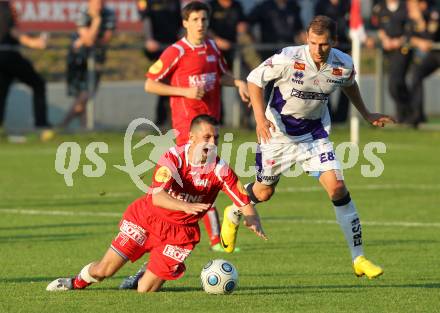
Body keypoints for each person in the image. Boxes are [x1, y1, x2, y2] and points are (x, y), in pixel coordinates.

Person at [220, 16, 395, 279]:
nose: (317, 49)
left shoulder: (343, 64)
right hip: (277, 133)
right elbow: (255, 80)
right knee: (264, 192)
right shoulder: (289, 57)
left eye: (323, 44)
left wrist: (367, 114)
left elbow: (349, 85)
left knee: (337, 188)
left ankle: (358, 258)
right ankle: (234, 209)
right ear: (307, 38)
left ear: (334, 42)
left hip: (314, 135)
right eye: (312, 42)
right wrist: (259, 119)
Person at [46, 115, 267, 293]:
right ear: (191, 137)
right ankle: (74, 283)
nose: (212, 143)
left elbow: (241, 197)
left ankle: (141, 275)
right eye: (207, 137)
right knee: (105, 270)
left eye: (216, 138)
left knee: (145, 290)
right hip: (147, 219)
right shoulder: (173, 158)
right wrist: (186, 207)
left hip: (180, 234)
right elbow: (157, 196)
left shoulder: (220, 169)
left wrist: (252, 217)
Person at [143, 1, 249, 252]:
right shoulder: (176, 51)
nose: (200, 24)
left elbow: (219, 75)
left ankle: (203, 234)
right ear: (185, 23)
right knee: (200, 179)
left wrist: (237, 82)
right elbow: (150, 84)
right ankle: (210, 238)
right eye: (195, 20)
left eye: (203, 19)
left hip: (211, 128)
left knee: (206, 178)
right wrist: (185, 91)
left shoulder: (212, 47)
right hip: (187, 129)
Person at [0, 0, 53, 139]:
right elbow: (14, 32)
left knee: (2, 92)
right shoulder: (4, 8)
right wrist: (35, 43)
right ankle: (41, 125)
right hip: (9, 55)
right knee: (38, 84)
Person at [60, 0, 116, 129]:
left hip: (97, 58)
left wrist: (88, 37)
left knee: (87, 94)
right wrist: (96, 21)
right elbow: (88, 40)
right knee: (82, 94)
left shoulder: (109, 13)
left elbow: (104, 39)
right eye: (96, 2)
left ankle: (65, 126)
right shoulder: (83, 12)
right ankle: (80, 127)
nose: (99, 5)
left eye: (101, 2)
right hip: (78, 59)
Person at [137, 0, 181, 126]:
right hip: (157, 48)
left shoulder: (175, 2)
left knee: (170, 84)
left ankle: (164, 122)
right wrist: (149, 39)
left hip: (173, 48)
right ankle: (162, 121)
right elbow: (146, 20)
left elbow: (181, 23)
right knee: (164, 84)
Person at [371, 0, 412, 124]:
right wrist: (385, 39)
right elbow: (378, 27)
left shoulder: (405, 6)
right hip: (387, 50)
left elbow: (410, 29)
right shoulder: (380, 7)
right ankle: (407, 113)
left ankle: (405, 113)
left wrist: (399, 41)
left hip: (403, 50)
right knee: (397, 84)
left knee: (395, 83)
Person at [315, 0, 351, 124]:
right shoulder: (321, 5)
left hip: (346, 48)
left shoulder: (348, 4)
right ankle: (327, 115)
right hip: (327, 48)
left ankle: (341, 117)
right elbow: (318, 27)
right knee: (324, 81)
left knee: (347, 81)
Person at [407, 0, 439, 127]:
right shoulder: (414, 16)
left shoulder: (434, 11)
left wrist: (420, 21)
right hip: (434, 54)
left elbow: (430, 37)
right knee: (416, 74)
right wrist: (417, 41)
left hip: (437, 49)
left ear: (422, 4)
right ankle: (417, 116)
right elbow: (408, 36)